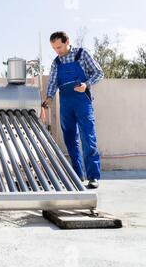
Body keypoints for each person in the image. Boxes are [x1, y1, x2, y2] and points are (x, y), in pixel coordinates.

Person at [42, 31, 104, 189]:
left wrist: (86, 85)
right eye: (54, 48)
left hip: (82, 101)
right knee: (70, 139)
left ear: (67, 41)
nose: (58, 51)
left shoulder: (82, 54)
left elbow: (99, 73)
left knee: (88, 137)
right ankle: (77, 175)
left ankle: (93, 176)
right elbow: (53, 82)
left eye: (59, 47)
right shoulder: (56, 62)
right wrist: (48, 98)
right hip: (66, 102)